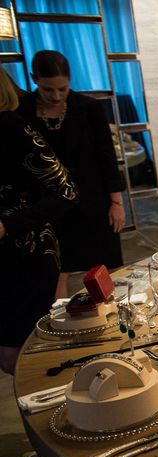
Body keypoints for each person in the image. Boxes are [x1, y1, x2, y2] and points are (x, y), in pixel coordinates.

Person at [16, 50, 125, 297]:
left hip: (91, 198)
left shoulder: (89, 108)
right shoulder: (21, 111)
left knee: (102, 271)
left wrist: (116, 202)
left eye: (62, 89)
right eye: (48, 90)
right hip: (47, 203)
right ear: (35, 79)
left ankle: (111, 321)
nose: (56, 96)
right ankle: (60, 326)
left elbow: (106, 157)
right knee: (55, 271)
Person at [0, 69, 78, 374]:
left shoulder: (9, 126)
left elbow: (66, 192)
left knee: (15, 355)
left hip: (24, 254)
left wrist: (9, 224)